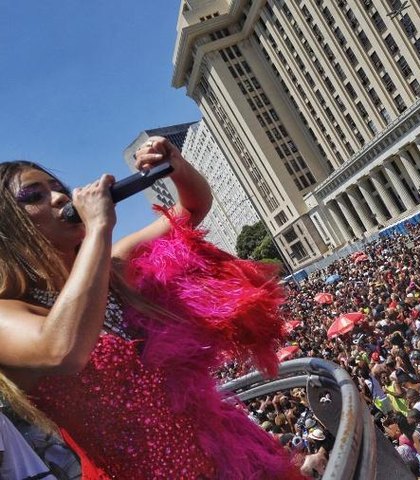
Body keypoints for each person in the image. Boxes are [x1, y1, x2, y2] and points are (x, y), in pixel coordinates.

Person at [0, 140, 300, 478]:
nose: (60, 198)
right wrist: (99, 227)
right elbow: (62, 350)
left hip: (222, 455)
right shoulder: (6, 314)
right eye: (34, 196)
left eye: (58, 189)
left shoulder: (112, 268)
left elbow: (191, 211)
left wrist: (177, 166)